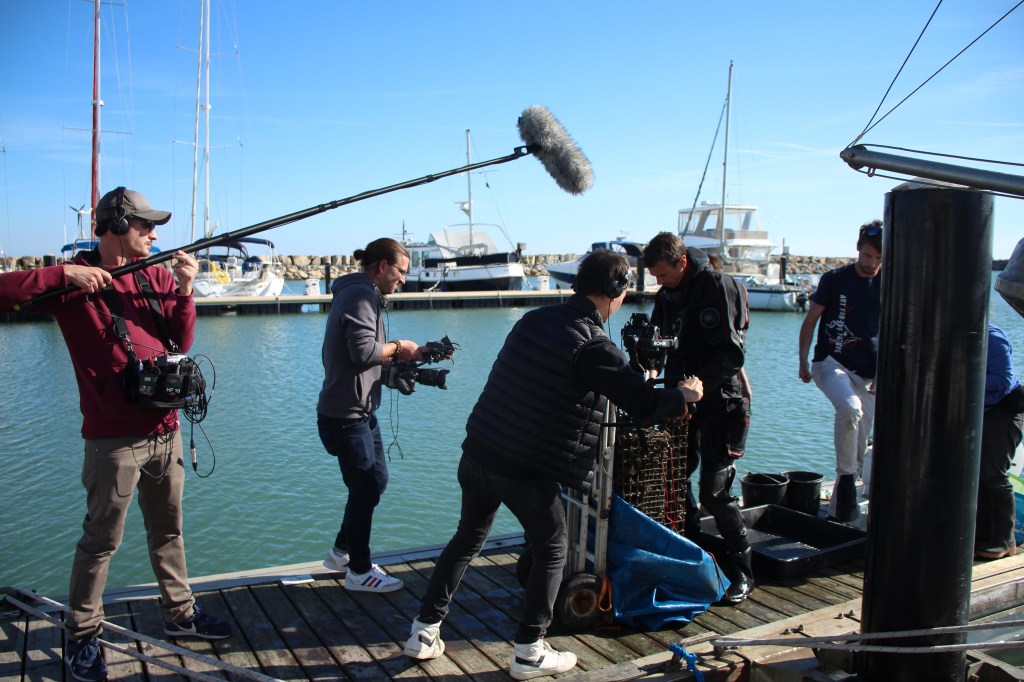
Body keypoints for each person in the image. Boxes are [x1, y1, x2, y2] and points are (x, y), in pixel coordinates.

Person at [403, 250, 702, 680]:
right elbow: (642, 402)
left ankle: (423, 632)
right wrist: (685, 395)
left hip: (479, 451)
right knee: (553, 548)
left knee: (466, 539)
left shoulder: (533, 320)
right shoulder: (593, 344)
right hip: (523, 469)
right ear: (615, 290)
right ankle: (529, 651)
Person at [0, 187, 232, 682]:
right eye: (145, 225)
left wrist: (185, 290)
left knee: (169, 530)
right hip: (113, 441)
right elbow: (5, 290)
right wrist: (64, 275)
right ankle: (84, 633)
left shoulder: (155, 274)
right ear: (116, 225)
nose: (154, 234)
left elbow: (180, 340)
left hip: (166, 430)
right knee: (101, 540)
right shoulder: (72, 282)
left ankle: (180, 614)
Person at [641, 232, 754, 606]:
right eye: (655, 277)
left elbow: (732, 355)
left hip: (721, 399)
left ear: (683, 262)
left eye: (664, 274)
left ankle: (742, 569)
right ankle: (694, 551)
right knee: (675, 478)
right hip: (682, 399)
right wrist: (650, 372)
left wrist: (698, 385)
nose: (660, 282)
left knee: (714, 491)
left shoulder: (718, 287)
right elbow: (657, 348)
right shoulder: (666, 296)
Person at [316, 237, 428, 593]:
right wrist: (398, 346)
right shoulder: (360, 296)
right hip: (346, 415)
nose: (404, 279)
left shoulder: (360, 293)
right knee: (365, 489)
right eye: (401, 271)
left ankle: (340, 553)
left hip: (361, 411)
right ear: (382, 266)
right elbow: (363, 352)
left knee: (375, 481)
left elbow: (361, 357)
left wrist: (408, 358)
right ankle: (360, 572)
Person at [798, 220, 882, 523]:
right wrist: (803, 360)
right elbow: (810, 321)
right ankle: (845, 479)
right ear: (858, 248)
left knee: (857, 451)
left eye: (878, 258)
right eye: (867, 255)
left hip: (868, 375)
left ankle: (839, 510)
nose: (871, 263)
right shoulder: (835, 279)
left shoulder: (891, 282)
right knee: (849, 407)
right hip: (831, 363)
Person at [975, 323, 1024, 560]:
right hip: (980, 410)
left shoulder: (992, 338)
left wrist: (965, 379)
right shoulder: (953, 337)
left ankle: (1005, 540)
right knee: (976, 473)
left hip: (1006, 409)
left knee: (993, 472)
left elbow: (1004, 379)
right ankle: (983, 534)